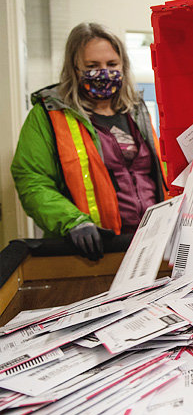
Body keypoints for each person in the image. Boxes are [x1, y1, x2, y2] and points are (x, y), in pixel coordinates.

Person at [11, 22, 167, 261]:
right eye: (92, 66)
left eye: (112, 64)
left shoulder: (136, 111)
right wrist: (72, 221)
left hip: (147, 245)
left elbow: (157, 173)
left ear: (123, 65)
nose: (104, 72)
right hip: (90, 251)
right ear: (75, 68)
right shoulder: (49, 114)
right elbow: (32, 179)